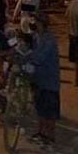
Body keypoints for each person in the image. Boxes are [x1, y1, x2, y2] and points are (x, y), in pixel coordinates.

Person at [30, 13, 61, 145]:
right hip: (39, 79)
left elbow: (39, 58)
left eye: (35, 21)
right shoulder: (37, 36)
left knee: (50, 111)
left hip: (49, 80)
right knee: (40, 107)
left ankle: (50, 135)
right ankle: (41, 132)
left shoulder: (49, 40)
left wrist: (26, 57)